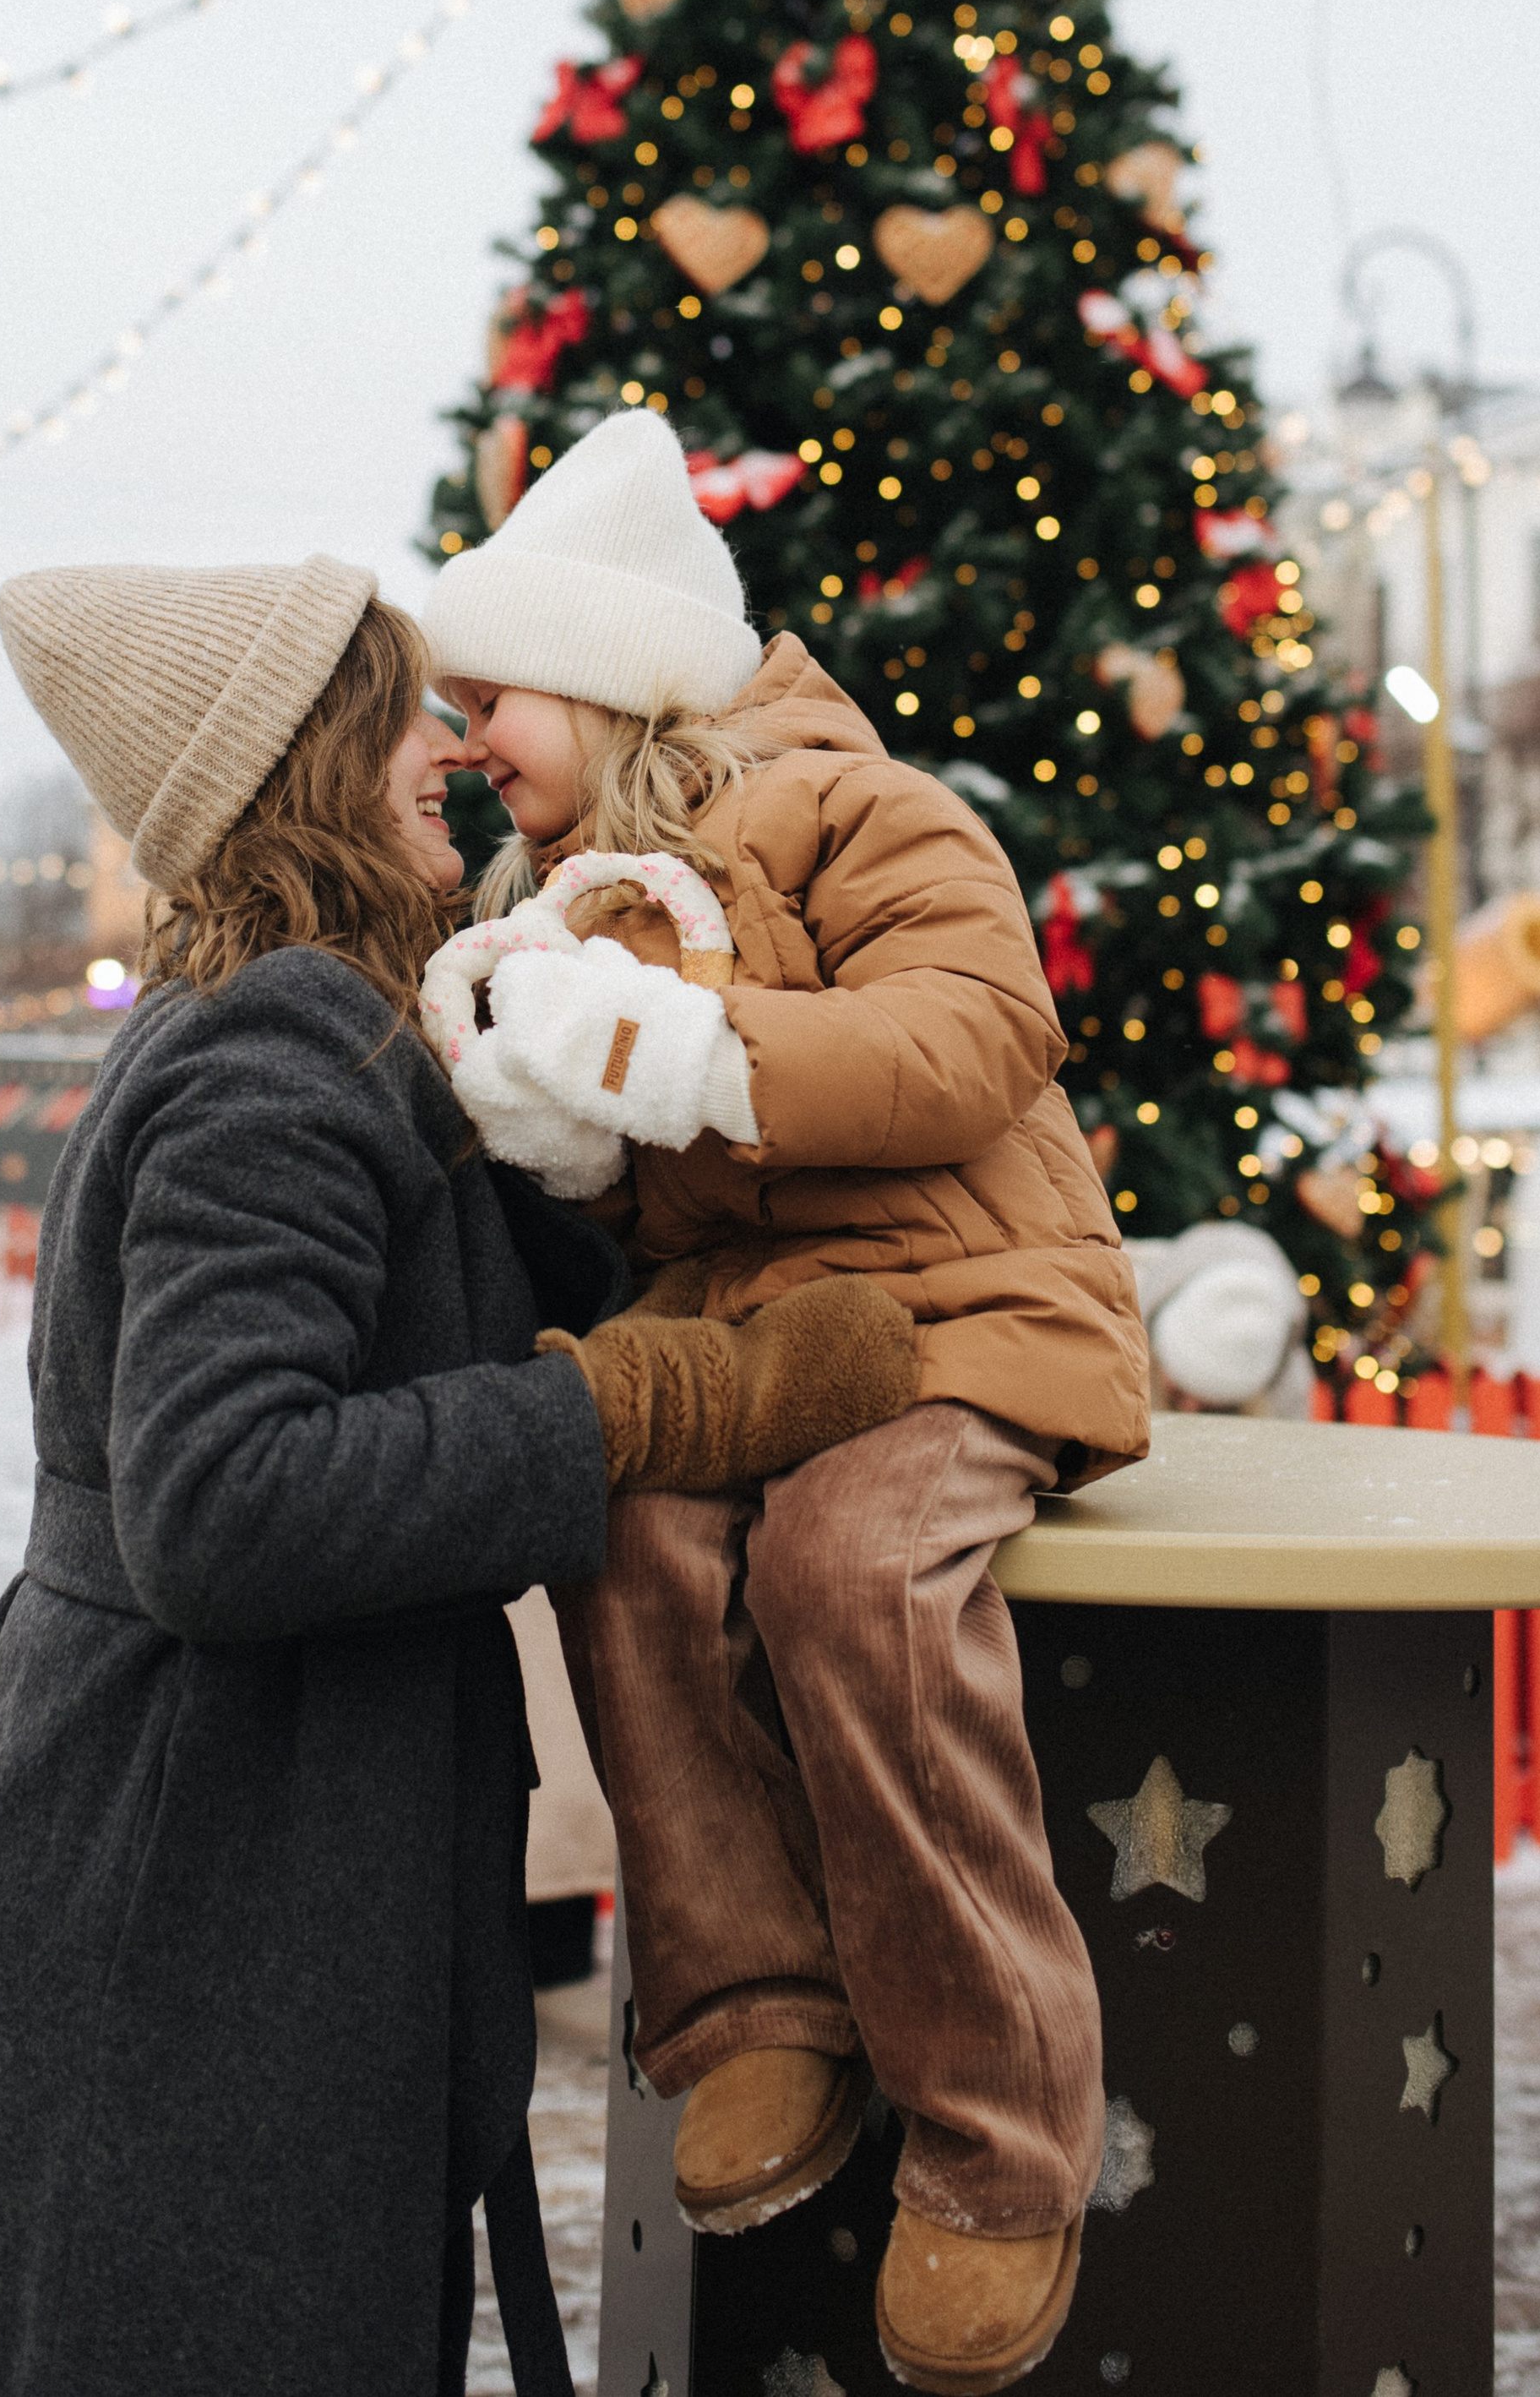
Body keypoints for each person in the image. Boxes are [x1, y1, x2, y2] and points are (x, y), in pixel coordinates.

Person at [0, 554, 918, 2397]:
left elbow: (498, 1295)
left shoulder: (353, 1027)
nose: (443, 743)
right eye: (396, 711)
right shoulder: (269, 1054)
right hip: (186, 1879)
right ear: (299, 760)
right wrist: (644, 1408)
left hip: (242, 1856)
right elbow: (223, 1502)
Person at [421, 411, 1152, 2397]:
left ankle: (998, 2138)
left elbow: (975, 1033)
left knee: (845, 1564)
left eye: (489, 690)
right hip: (759, 1328)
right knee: (631, 1525)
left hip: (965, 1304)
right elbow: (652, 1180)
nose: (463, 728)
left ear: (607, 666)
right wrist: (548, 1119)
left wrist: (691, 1043)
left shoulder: (856, 805)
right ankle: (750, 2006)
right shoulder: (558, 892)